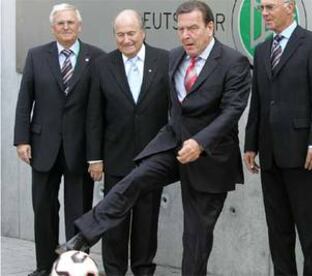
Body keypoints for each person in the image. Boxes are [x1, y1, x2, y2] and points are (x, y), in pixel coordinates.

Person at [57, 1, 251, 275]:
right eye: (181, 29)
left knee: (195, 238)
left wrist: (200, 142)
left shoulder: (234, 62)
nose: (186, 35)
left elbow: (232, 111)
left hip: (210, 158)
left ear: (210, 27)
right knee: (132, 181)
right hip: (173, 146)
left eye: (193, 28)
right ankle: (84, 235)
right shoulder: (174, 57)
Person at [13, 3, 105, 276]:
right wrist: (22, 140)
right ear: (53, 27)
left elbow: (99, 110)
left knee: (79, 214)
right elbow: (23, 101)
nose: (66, 27)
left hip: (80, 150)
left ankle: (75, 269)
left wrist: (97, 153)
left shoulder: (96, 58)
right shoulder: (36, 56)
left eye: (70, 22)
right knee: (43, 210)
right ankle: (43, 267)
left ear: (79, 26)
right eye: (60, 23)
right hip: (43, 147)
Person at [244, 0, 312, 275]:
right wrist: (250, 144)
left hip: (302, 154)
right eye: (262, 8)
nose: (264, 13)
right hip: (269, 155)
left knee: (310, 233)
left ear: (290, 7)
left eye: (270, 7)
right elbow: (258, 101)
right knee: (278, 232)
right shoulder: (261, 51)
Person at [86, 9, 169, 276]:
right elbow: (94, 115)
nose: (126, 39)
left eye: (131, 33)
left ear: (142, 33)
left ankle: (143, 271)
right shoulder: (102, 65)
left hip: (152, 159)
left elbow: (173, 112)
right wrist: (95, 158)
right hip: (116, 158)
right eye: (120, 34)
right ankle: (114, 271)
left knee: (146, 222)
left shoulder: (165, 60)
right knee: (114, 222)